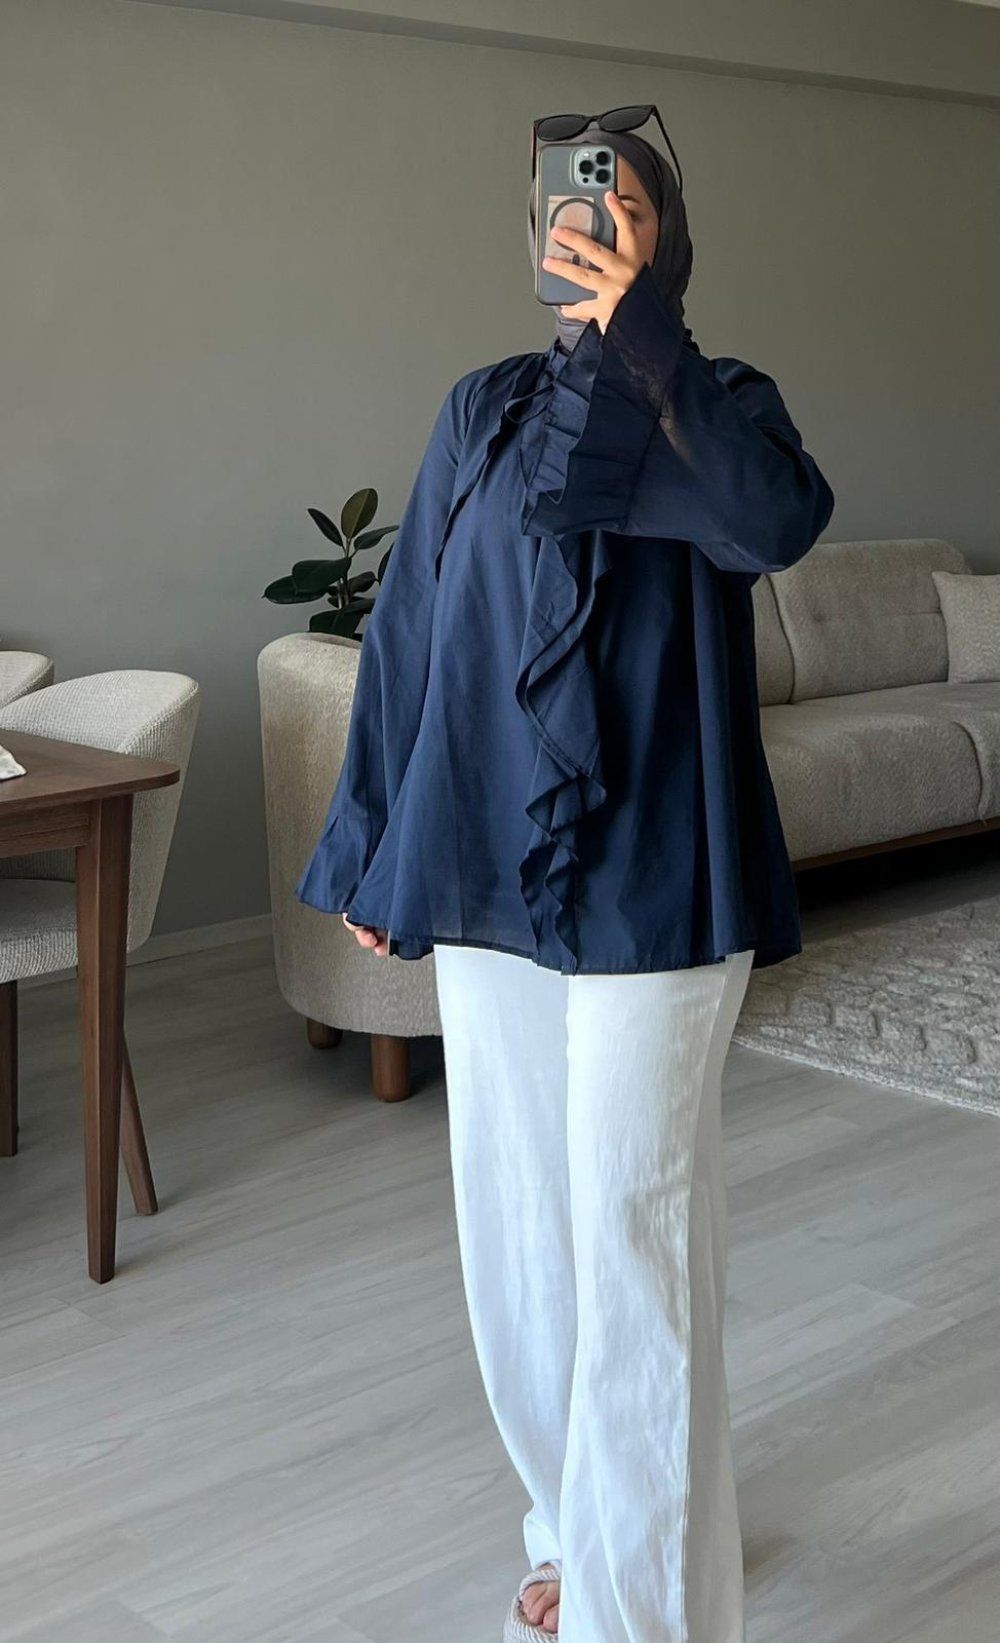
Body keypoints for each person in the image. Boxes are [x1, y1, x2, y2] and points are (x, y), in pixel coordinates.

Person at [295, 112, 834, 1643]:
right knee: (523, 1235)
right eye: (571, 201)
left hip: (660, 875)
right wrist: (374, 840)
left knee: (636, 1232)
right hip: (491, 867)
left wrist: (644, 340)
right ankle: (574, 1518)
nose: (593, 219)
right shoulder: (481, 412)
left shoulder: (722, 405)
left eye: (627, 201)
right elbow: (412, 634)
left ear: (669, 236)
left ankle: (638, 1611)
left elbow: (773, 524)